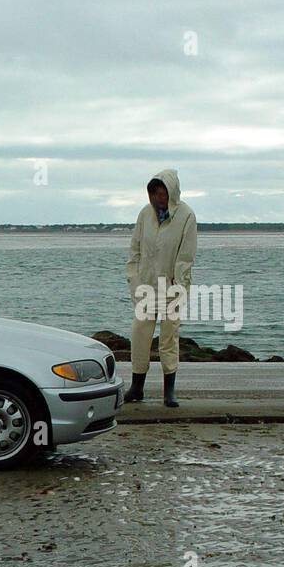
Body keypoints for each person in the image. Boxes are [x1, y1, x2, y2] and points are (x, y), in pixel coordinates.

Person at [123, 169, 197, 407]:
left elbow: (185, 256)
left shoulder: (186, 216)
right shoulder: (145, 214)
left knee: (169, 337)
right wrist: (133, 280)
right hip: (145, 286)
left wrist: (180, 285)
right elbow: (135, 249)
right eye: (154, 193)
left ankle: (169, 390)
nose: (158, 198)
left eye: (162, 193)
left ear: (172, 192)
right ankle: (137, 387)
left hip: (172, 286)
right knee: (140, 335)